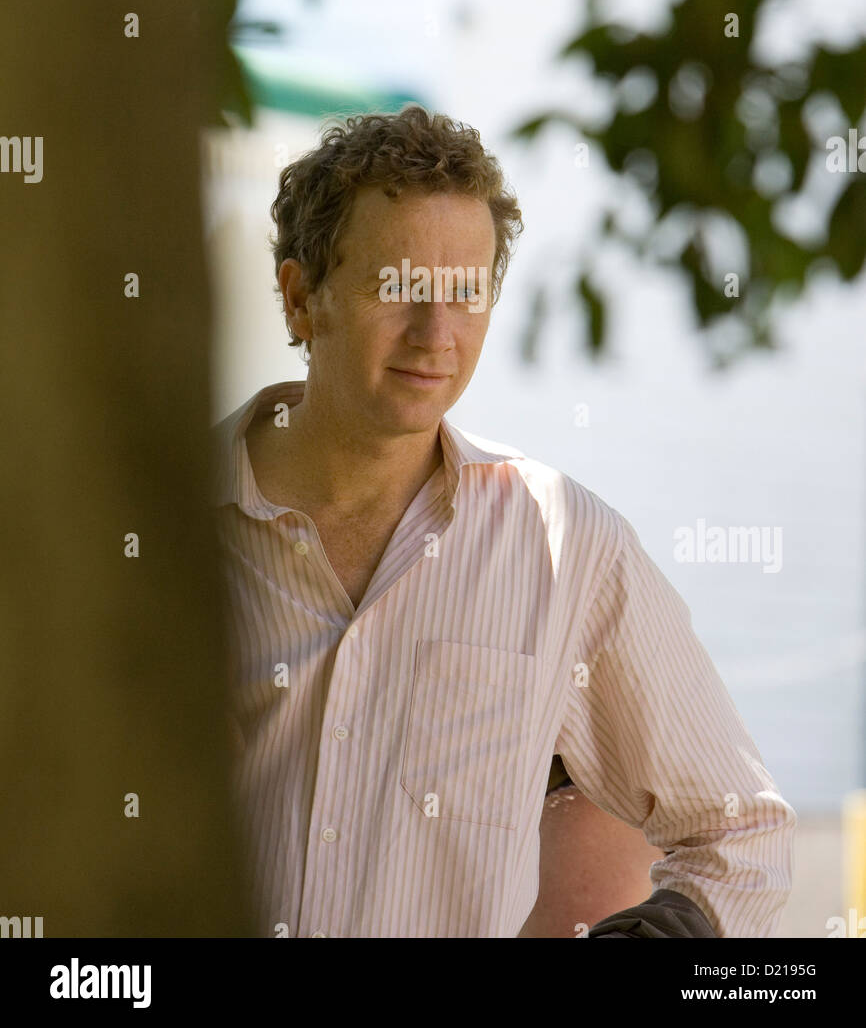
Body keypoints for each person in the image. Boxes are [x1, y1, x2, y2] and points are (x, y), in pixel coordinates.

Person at [213, 105, 795, 938]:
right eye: (401, 286)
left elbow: (741, 832)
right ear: (303, 299)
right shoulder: (158, 533)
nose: (436, 334)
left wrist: (672, 931)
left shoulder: (566, 548)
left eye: (465, 293)